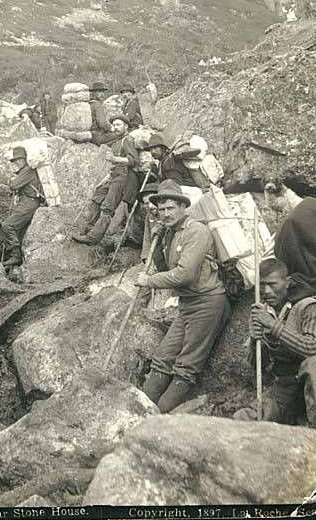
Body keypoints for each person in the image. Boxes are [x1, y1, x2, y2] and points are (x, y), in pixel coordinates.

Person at [135, 180, 230, 412]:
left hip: (208, 302)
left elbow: (184, 275)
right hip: (186, 305)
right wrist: (157, 243)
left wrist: (149, 281)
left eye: (170, 208)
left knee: (186, 365)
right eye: (161, 210)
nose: (165, 214)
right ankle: (140, 410)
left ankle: (157, 417)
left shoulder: (196, 231)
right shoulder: (169, 232)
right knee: (162, 357)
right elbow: (162, 266)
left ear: (182, 207)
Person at [233, 257, 316, 429]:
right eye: (262, 285)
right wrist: (256, 340)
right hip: (288, 385)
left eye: (272, 284)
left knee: (312, 365)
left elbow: (312, 348)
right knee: (244, 420)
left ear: (287, 282)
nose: (266, 291)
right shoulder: (262, 313)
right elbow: (259, 366)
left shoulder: (308, 306)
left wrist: (272, 325)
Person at [71, 115, 139, 245]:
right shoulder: (117, 141)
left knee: (108, 207)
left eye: (119, 124)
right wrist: (107, 176)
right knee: (97, 197)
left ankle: (93, 238)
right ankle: (87, 230)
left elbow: (133, 161)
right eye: (114, 125)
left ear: (126, 126)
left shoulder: (128, 140)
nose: (116, 128)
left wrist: (115, 159)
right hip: (113, 175)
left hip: (123, 177)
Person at [1, 146, 44, 280]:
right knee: (18, 231)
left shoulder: (28, 171)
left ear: (25, 159)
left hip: (29, 203)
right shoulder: (25, 171)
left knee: (8, 225)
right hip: (27, 203)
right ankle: (14, 265)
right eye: (15, 160)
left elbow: (14, 186)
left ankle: (16, 257)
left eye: (19, 159)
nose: (17, 162)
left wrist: (10, 181)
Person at [88, 81, 118, 146]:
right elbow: (102, 123)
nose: (102, 94)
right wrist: (111, 128)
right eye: (99, 92)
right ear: (93, 93)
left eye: (102, 92)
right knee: (120, 135)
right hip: (97, 136)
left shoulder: (88, 103)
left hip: (89, 135)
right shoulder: (97, 104)